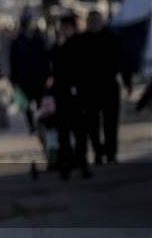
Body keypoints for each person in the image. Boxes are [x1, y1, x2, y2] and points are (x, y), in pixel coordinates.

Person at [82, 10, 131, 163]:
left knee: (111, 122)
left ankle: (111, 152)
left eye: (97, 20)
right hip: (90, 88)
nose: (94, 23)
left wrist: (127, 81)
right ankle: (97, 151)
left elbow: (123, 60)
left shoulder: (111, 38)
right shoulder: (82, 41)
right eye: (91, 20)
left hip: (109, 85)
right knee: (93, 124)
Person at [49, 14, 92, 179]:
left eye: (67, 27)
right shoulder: (57, 47)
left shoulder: (81, 45)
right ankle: (66, 162)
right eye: (62, 27)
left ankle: (82, 161)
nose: (64, 31)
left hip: (79, 97)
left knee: (81, 133)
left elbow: (86, 71)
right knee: (63, 133)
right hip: (62, 97)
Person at [9, 13, 49, 133]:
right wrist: (14, 79)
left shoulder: (38, 39)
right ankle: (32, 126)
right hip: (24, 79)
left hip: (38, 78)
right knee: (26, 105)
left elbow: (45, 58)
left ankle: (41, 124)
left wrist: (47, 75)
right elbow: (13, 61)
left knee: (40, 102)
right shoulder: (17, 42)